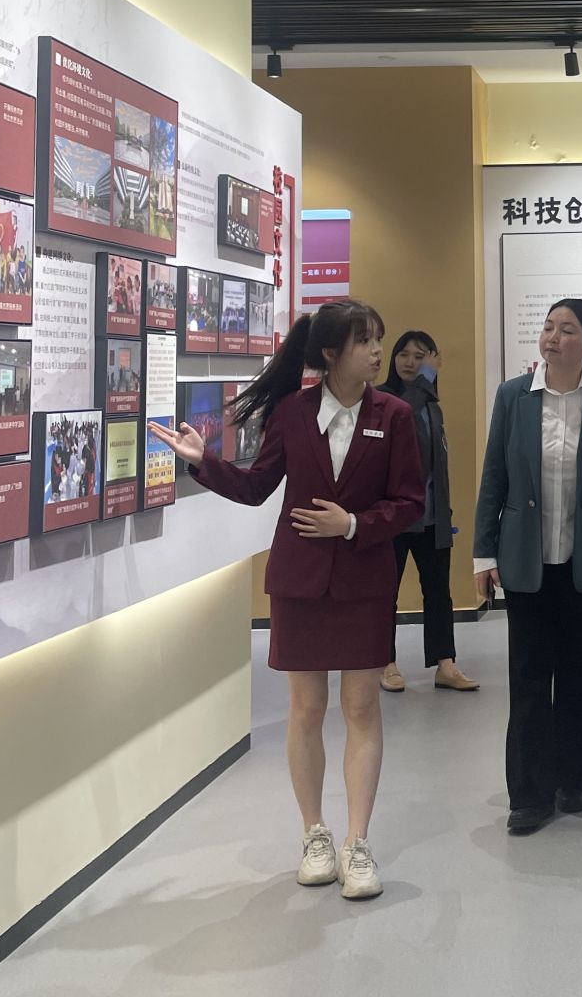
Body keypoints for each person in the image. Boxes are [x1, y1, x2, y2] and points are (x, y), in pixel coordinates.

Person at [148, 298, 423, 903]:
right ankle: (314, 836)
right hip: (300, 581)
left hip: (365, 581)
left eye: (378, 339)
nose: (378, 351)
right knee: (305, 709)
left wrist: (353, 524)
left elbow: (410, 503)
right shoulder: (293, 413)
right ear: (331, 353)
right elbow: (256, 487)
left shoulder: (396, 415)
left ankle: (358, 843)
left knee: (361, 708)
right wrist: (203, 463)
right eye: (365, 341)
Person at [474, 298, 582, 836]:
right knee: (528, 676)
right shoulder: (513, 396)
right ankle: (528, 792)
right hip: (526, 559)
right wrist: (483, 553)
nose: (553, 337)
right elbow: (494, 478)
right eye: (548, 327)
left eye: (567, 330)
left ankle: (574, 779)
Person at [377, 330, 477, 694]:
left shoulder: (433, 406)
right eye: (403, 354)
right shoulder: (383, 400)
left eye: (419, 356)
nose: (410, 362)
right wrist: (427, 377)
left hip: (432, 517)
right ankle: (385, 662)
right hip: (394, 517)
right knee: (385, 593)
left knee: (438, 592)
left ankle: (445, 664)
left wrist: (445, 513)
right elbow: (404, 415)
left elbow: (438, 465)